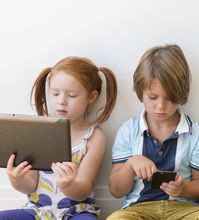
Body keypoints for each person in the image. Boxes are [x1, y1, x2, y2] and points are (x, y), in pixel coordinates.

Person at [107, 44, 199, 220]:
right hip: (139, 210)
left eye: (169, 98)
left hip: (183, 209)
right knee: (116, 218)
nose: (160, 106)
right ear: (140, 92)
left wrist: (184, 189)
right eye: (152, 97)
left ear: (180, 94)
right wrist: (130, 165)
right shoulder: (128, 131)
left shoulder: (196, 133)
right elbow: (116, 190)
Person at [0, 56, 118, 220]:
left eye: (72, 95)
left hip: (76, 212)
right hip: (37, 211)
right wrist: (15, 178)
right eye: (55, 93)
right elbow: (30, 186)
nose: (61, 101)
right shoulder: (38, 130)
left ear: (91, 97)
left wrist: (68, 185)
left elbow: (83, 190)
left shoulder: (93, 137)